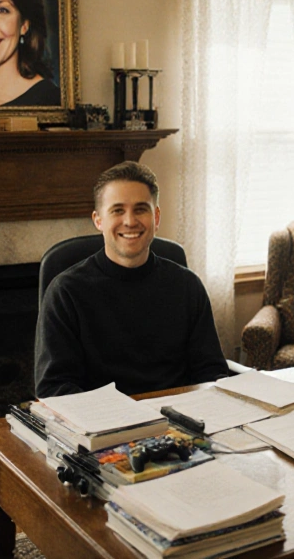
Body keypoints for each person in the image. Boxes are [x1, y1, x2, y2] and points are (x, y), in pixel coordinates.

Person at [34, 161, 229, 398]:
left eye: (140, 209)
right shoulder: (65, 292)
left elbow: (211, 372)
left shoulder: (188, 286)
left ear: (156, 217)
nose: (130, 221)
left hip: (179, 421)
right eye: (117, 210)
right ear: (98, 220)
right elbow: (54, 388)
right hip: (103, 426)